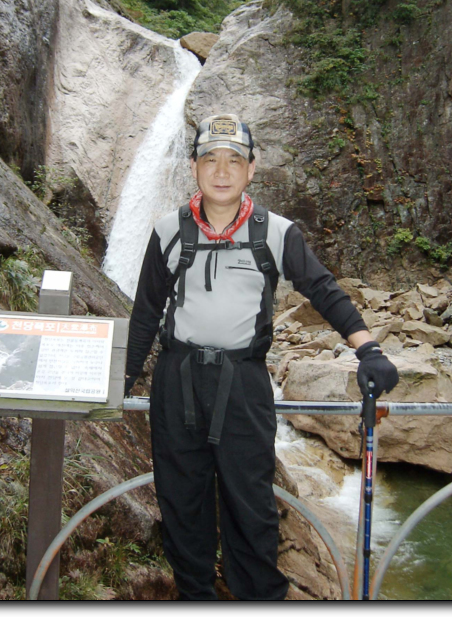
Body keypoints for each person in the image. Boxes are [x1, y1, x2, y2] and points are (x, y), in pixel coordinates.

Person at [125, 113, 399, 601]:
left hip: (244, 385)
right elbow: (145, 315)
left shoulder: (276, 232)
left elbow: (323, 289)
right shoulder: (167, 231)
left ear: (252, 168)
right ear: (194, 167)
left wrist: (369, 349)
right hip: (176, 383)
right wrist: (119, 382)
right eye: (210, 159)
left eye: (234, 160)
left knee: (251, 507)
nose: (222, 171)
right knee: (182, 506)